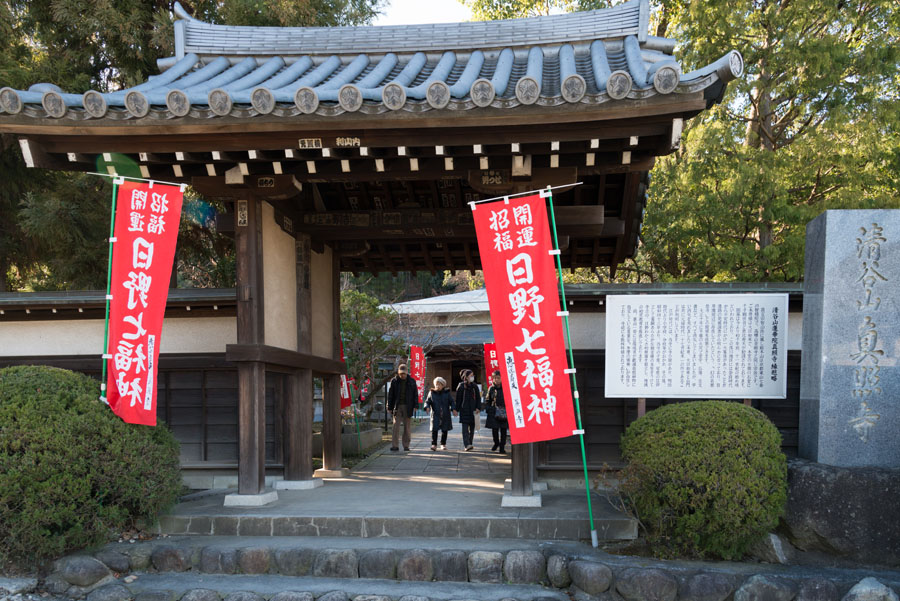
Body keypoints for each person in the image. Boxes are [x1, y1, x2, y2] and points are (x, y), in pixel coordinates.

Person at [387, 363, 419, 452]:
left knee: (407, 427)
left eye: (404, 373)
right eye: (401, 373)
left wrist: (416, 405)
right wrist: (389, 406)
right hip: (397, 406)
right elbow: (390, 395)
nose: (402, 375)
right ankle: (395, 445)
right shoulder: (394, 381)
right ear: (398, 373)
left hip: (408, 406)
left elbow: (415, 395)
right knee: (395, 427)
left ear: (407, 372)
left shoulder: (412, 381)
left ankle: (406, 445)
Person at [455, 368, 481, 451]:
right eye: (471, 375)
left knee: (472, 429)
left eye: (473, 375)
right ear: (466, 377)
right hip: (464, 410)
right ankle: (466, 445)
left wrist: (478, 407)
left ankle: (470, 443)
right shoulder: (461, 386)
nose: (473, 377)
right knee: (465, 429)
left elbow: (478, 398)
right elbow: (458, 399)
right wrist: (456, 409)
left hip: (473, 410)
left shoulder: (475, 386)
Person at [424, 376, 453, 451]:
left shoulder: (447, 393)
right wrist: (427, 407)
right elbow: (427, 401)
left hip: (445, 414)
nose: (437, 386)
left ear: (443, 385)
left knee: (444, 430)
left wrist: (454, 409)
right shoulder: (432, 392)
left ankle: (443, 444)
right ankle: (434, 444)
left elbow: (452, 402)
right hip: (435, 414)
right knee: (434, 429)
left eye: (439, 384)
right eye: (436, 384)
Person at [483, 369, 508, 454]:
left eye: (498, 378)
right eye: (495, 378)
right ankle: (496, 443)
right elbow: (488, 399)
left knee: (503, 431)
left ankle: (502, 447)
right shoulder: (491, 388)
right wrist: (488, 408)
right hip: (494, 411)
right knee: (495, 430)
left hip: (504, 412)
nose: (496, 380)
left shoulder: (506, 388)